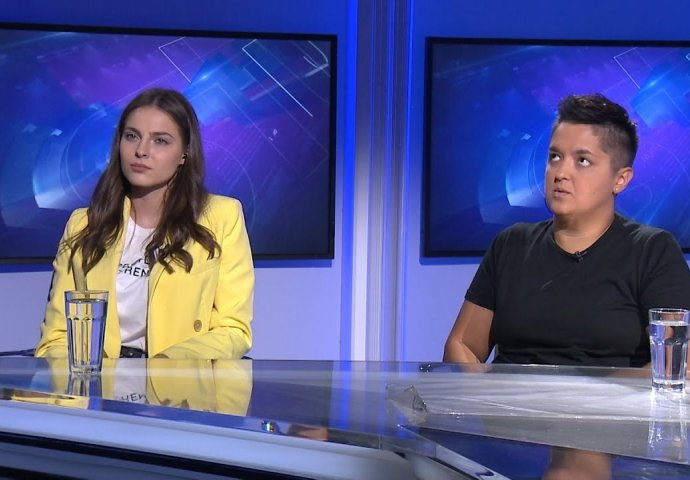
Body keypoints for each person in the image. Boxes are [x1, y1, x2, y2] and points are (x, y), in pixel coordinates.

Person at [444, 93, 690, 368]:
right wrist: (484, 389)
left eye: (582, 161)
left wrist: (589, 391)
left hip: (611, 397)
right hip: (512, 396)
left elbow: (676, 365)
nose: (560, 173)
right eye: (555, 157)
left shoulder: (653, 251)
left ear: (620, 179)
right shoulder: (511, 244)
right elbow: (462, 344)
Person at [35, 88, 254, 360]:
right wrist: (83, 379)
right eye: (132, 136)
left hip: (177, 378)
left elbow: (233, 330)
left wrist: (166, 366)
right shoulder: (84, 225)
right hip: (99, 379)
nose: (141, 151)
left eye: (160, 141)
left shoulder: (222, 217)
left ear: (184, 153)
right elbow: (57, 337)